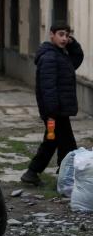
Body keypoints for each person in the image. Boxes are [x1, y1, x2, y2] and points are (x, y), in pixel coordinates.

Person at [21, 22, 84, 186]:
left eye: (67, 35)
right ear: (52, 35)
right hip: (54, 112)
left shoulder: (60, 55)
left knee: (52, 140)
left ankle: (34, 173)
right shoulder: (50, 57)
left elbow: (77, 59)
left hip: (58, 111)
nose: (64, 38)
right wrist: (52, 113)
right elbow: (48, 87)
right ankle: (66, 176)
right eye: (61, 34)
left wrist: (73, 43)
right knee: (67, 144)